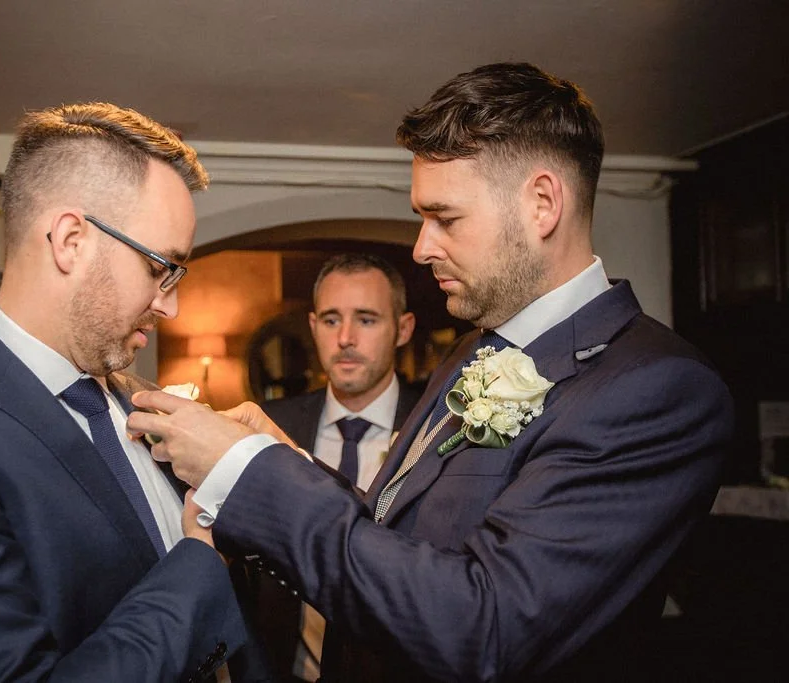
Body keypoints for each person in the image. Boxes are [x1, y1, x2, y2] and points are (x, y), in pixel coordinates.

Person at [129, 62, 734, 682]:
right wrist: (281, 455)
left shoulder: (656, 390)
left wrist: (247, 472)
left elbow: (484, 626)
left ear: (543, 203)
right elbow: (394, 533)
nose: (421, 247)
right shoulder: (472, 349)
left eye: (445, 218)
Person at [0, 103, 261, 682]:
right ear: (71, 241)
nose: (170, 303)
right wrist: (201, 563)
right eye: (161, 267)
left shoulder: (143, 402)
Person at [252, 253, 421, 681]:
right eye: (330, 320)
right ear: (313, 327)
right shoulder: (269, 426)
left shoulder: (436, 428)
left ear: (403, 329)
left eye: (366, 320)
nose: (345, 338)